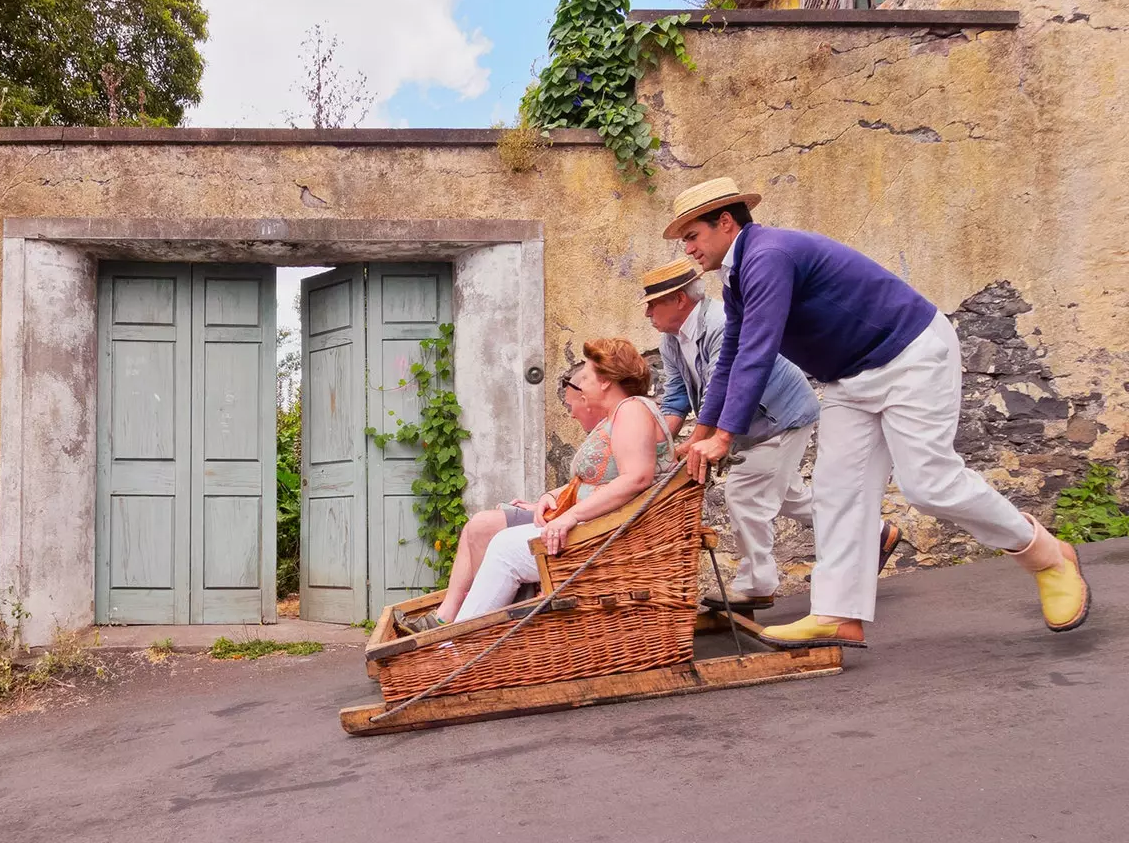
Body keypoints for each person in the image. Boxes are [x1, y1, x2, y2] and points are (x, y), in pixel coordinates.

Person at [665, 177, 1089, 647]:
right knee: (836, 490)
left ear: (725, 222)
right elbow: (732, 356)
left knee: (930, 484)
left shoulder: (769, 255)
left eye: (692, 235)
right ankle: (836, 613)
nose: (687, 249)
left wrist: (723, 437)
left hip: (910, 355)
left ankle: (1049, 557)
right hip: (850, 378)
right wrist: (702, 430)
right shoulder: (739, 273)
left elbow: (757, 353)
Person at [641, 258, 902, 606]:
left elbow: (727, 388)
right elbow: (675, 398)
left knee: (745, 495)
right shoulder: (671, 343)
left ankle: (756, 584)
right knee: (791, 498)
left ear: (679, 299)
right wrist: (658, 444)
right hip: (753, 423)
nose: (647, 313)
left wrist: (697, 440)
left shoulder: (719, 323)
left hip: (780, 416)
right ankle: (875, 534)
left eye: (652, 303)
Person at [441, 338, 675, 627]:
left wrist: (570, 517)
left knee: (505, 548)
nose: (582, 384)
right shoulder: (622, 414)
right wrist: (553, 497)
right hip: (600, 530)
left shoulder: (632, 410)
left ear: (604, 381)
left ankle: (458, 646)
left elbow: (636, 477)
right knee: (496, 536)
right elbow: (601, 477)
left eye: (587, 376)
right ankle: (458, 632)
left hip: (612, 539)